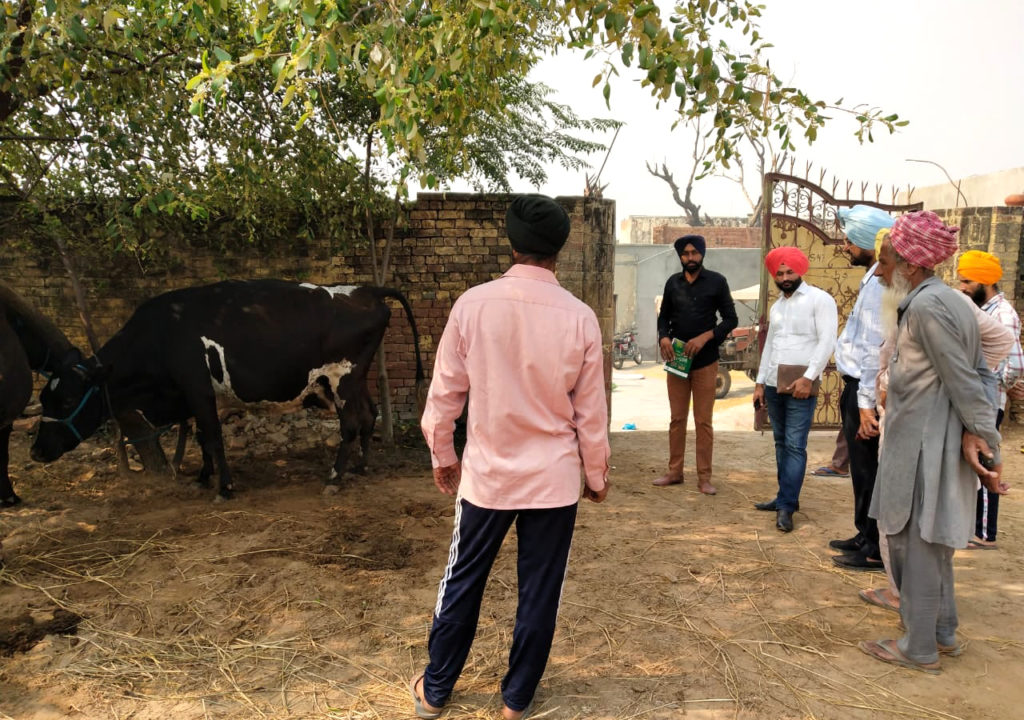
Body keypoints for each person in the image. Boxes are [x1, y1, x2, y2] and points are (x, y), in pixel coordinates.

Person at [413, 194, 611, 720]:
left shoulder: (472, 305)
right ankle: (515, 701)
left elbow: (445, 396)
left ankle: (435, 692)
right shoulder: (581, 317)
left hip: (489, 477)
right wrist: (596, 473)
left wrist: (442, 453)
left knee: (463, 581)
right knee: (539, 592)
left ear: (512, 241)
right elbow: (591, 412)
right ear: (559, 250)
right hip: (553, 480)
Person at [860, 211, 1006, 674]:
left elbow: (965, 378)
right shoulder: (950, 301)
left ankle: (918, 647)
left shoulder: (925, 306)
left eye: (885, 261)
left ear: (910, 263)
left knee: (915, 544)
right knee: (933, 540)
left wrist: (985, 438)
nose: (879, 271)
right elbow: (981, 370)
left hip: (924, 446)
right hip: (931, 440)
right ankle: (942, 632)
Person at [752, 246, 838, 532]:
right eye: (780, 273)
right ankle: (785, 497)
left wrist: (809, 378)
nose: (785, 277)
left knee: (794, 444)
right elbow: (770, 348)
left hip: (802, 385)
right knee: (779, 442)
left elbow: (827, 342)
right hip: (776, 384)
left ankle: (787, 506)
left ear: (800, 271)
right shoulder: (777, 307)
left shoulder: (819, 300)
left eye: (790, 272)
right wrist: (760, 383)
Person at [830, 205, 893, 571]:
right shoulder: (872, 278)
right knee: (860, 467)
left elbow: (874, 345)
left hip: (864, 389)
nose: (846, 246)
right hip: (856, 385)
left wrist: (867, 403)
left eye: (851, 239)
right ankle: (862, 533)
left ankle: (872, 547)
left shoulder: (880, 282)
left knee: (868, 468)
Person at [653, 234, 738, 495]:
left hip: (706, 362)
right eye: (685, 254)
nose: (690, 258)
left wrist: (706, 336)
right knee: (677, 419)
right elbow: (663, 316)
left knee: (703, 421)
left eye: (694, 253)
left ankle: (704, 477)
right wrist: (664, 337)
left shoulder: (717, 282)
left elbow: (730, 319)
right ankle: (675, 471)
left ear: (702, 254)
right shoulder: (672, 283)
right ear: (680, 256)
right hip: (677, 361)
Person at [956, 250, 1023, 550]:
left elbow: (1015, 366)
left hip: (987, 403)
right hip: (978, 400)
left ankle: (984, 533)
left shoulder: (1003, 315)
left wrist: (995, 385)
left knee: (985, 464)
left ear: (985, 281)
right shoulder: (984, 310)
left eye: (967, 281)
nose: (962, 287)